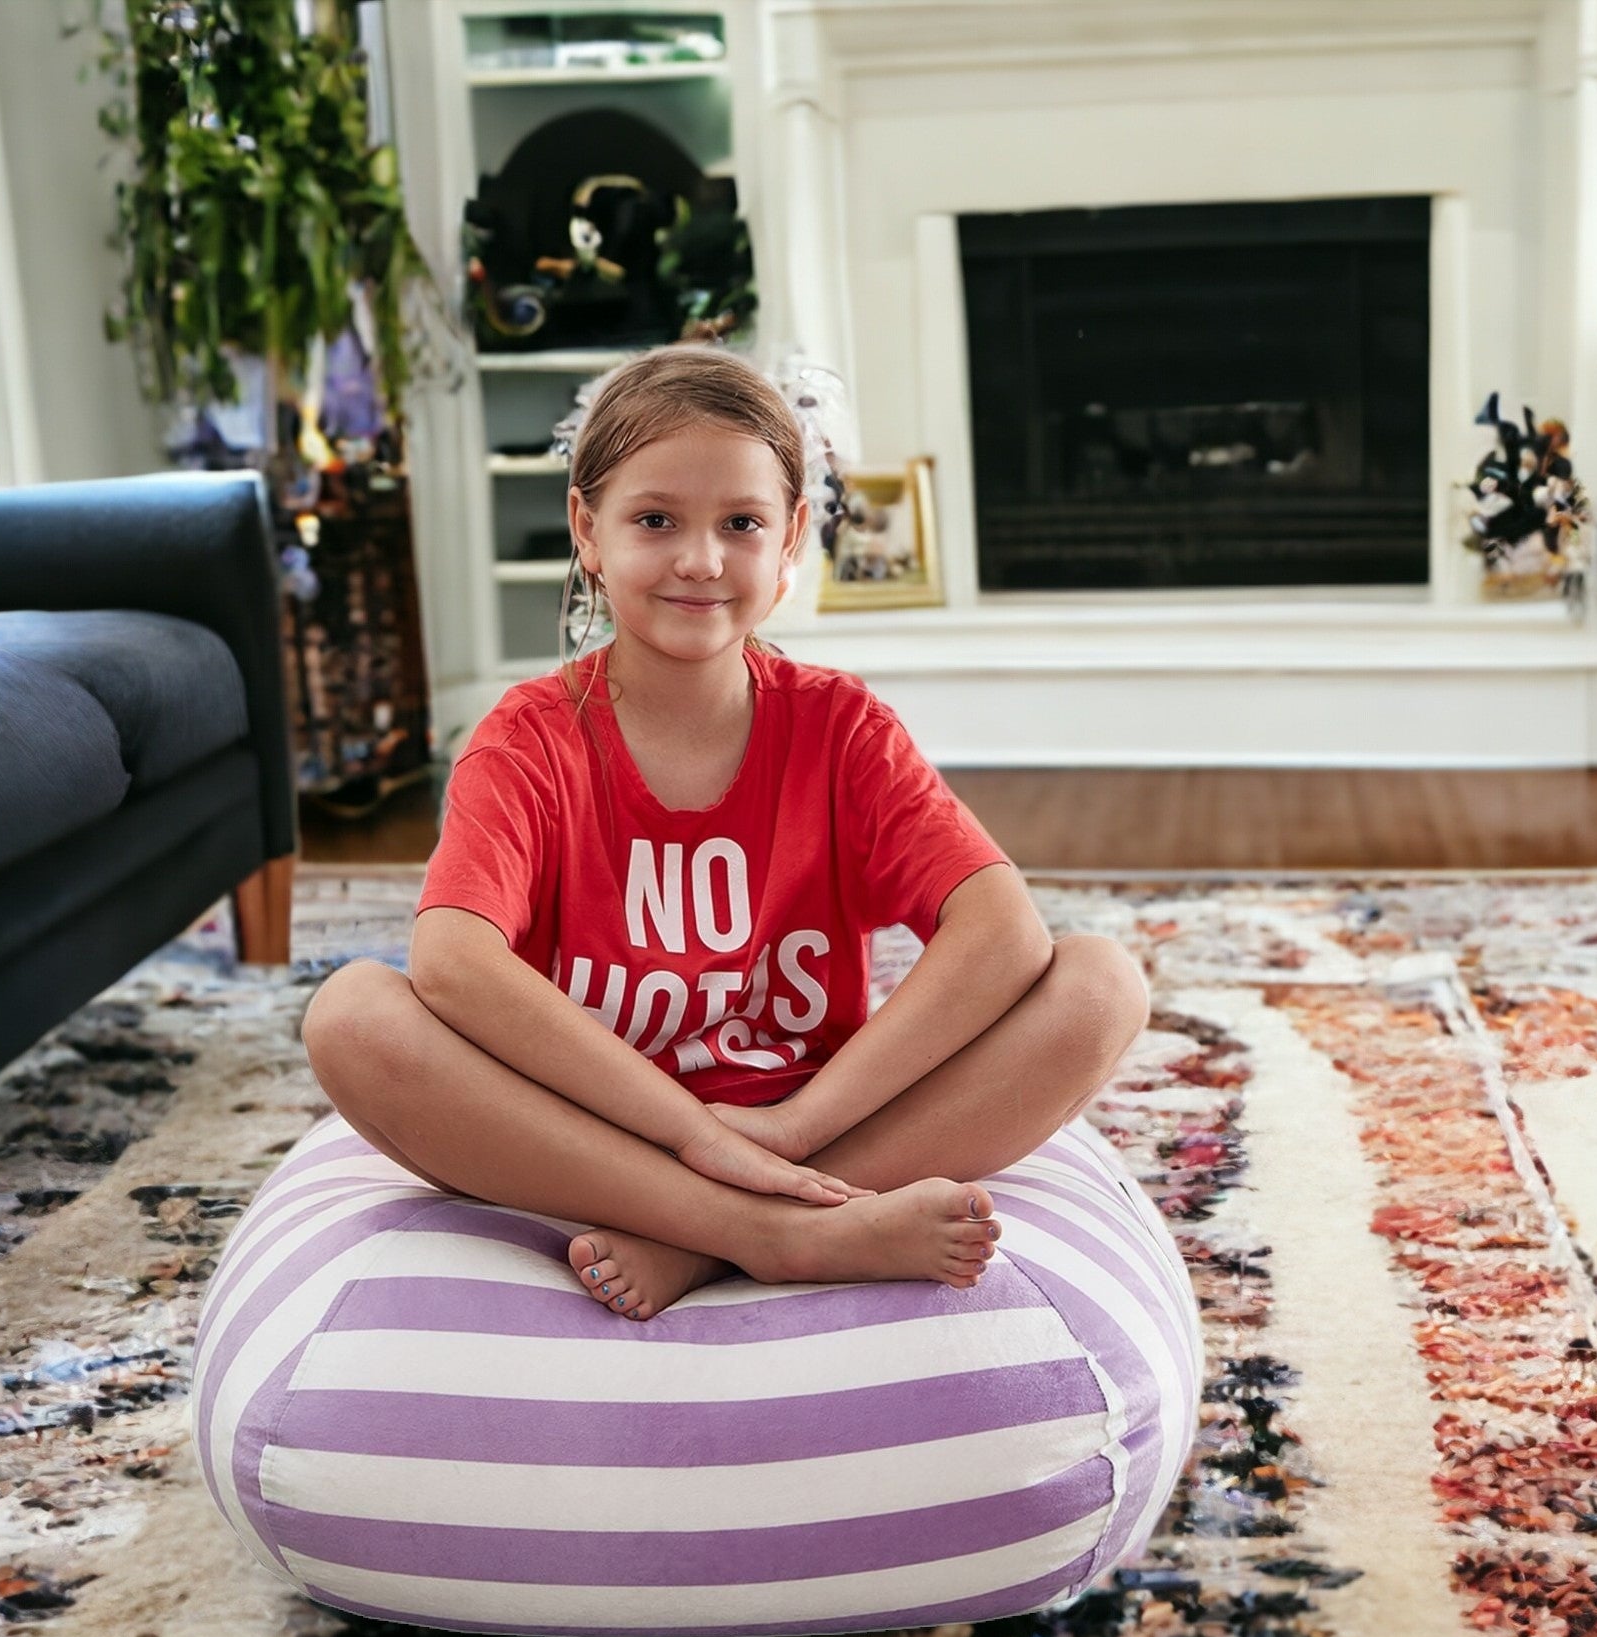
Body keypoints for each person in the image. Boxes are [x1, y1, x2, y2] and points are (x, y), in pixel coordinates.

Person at [300, 343, 1151, 1325]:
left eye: (739, 523)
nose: (699, 559)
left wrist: (789, 1127)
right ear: (587, 528)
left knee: (1099, 983)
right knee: (352, 1014)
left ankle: (712, 1231)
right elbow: (450, 963)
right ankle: (768, 1232)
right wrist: (689, 1137)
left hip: (798, 1118)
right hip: (586, 1128)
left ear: (789, 538)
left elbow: (1003, 934)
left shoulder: (837, 726)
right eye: (654, 518)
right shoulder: (527, 738)